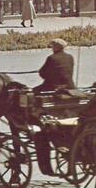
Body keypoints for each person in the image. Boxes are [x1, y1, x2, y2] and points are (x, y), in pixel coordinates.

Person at [32, 39, 76, 175]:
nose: (51, 48)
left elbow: (43, 73)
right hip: (70, 88)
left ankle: (35, 116)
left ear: (56, 47)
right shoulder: (70, 57)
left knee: (32, 94)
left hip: (52, 88)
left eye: (52, 46)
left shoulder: (51, 58)